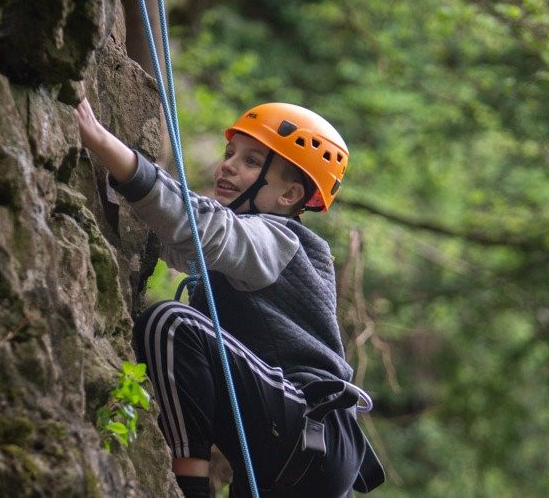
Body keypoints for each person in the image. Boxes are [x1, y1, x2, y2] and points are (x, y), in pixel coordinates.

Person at [74, 99, 384, 497]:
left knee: (171, 325)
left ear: (289, 193)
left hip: (307, 426)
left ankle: (189, 489)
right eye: (229, 154)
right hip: (296, 452)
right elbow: (169, 233)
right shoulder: (244, 248)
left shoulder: (278, 240)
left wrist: (101, 141)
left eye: (252, 162)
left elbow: (199, 227)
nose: (229, 166)